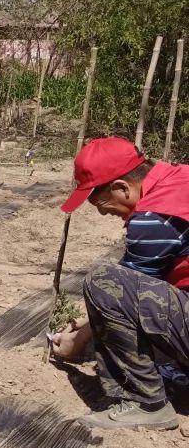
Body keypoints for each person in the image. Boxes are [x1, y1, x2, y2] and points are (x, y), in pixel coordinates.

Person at [51, 137, 189, 430]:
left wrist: (76, 343)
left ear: (122, 188)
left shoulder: (154, 217)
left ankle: (145, 403)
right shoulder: (179, 179)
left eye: (103, 206)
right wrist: (87, 321)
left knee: (102, 280)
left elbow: (122, 292)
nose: (105, 214)